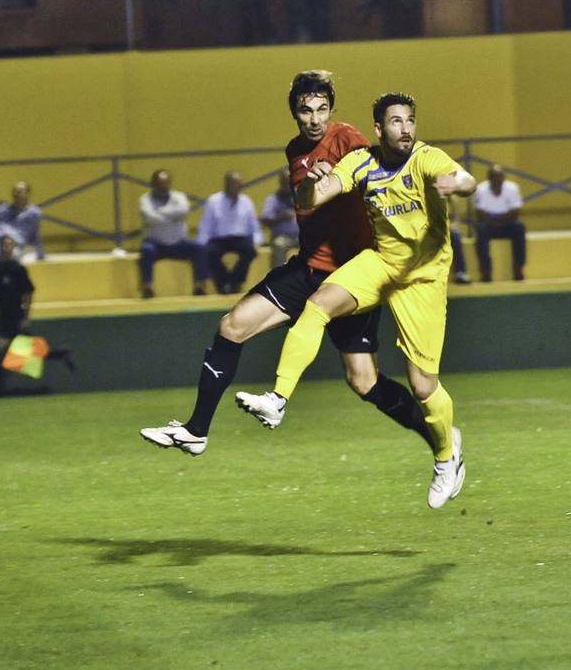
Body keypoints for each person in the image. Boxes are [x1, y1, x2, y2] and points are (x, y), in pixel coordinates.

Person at [140, 70, 431, 458]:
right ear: (294, 112)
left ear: (332, 110)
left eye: (322, 109)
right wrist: (315, 183)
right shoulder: (295, 149)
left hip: (350, 277)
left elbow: (376, 173)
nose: (314, 119)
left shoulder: (347, 138)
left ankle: (439, 439)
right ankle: (196, 432)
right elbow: (308, 200)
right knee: (231, 326)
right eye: (305, 110)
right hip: (309, 269)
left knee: (363, 381)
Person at [234, 92, 476, 510]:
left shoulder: (427, 159)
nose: (406, 129)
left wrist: (460, 184)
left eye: (410, 121)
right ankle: (277, 400)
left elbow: (465, 179)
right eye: (396, 122)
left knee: (422, 385)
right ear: (379, 129)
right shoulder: (362, 161)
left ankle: (446, 458)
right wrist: (312, 181)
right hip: (381, 264)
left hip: (422, 277)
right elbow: (313, 198)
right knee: (317, 304)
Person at [0, 236, 74, 394]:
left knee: (1, 351)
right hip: (3, 316)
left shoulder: (18, 270)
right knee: (18, 352)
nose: (7, 248)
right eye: (4, 245)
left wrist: (25, 316)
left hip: (15, 316)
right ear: (0, 248)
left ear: (13, 249)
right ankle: (60, 353)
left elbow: (28, 293)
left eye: (10, 245)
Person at [138, 170, 209, 298]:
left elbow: (183, 210)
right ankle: (146, 287)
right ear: (153, 184)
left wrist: (159, 213)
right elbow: (149, 217)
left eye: (165, 183)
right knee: (146, 250)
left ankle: (200, 286)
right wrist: (172, 216)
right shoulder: (145, 199)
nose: (163, 186)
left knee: (199, 248)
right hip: (156, 243)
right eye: (160, 183)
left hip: (178, 243)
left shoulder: (179, 197)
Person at [196, 170, 263, 294]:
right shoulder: (214, 201)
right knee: (209, 253)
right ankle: (222, 283)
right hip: (219, 239)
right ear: (226, 184)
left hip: (240, 238)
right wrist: (201, 244)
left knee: (250, 250)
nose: (236, 186)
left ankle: (235, 282)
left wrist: (257, 242)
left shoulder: (246, 201)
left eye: (238, 184)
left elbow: (254, 226)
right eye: (233, 183)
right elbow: (205, 225)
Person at [474, 164, 527, 282]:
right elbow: (480, 214)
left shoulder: (513, 188)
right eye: (494, 176)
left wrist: (496, 219)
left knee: (519, 227)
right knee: (480, 229)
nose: (497, 179)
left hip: (507, 225)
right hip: (489, 226)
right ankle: (486, 271)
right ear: (489, 178)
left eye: (499, 176)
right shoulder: (481, 189)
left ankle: (518, 268)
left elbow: (515, 212)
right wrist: (498, 219)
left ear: (503, 177)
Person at [260, 169, 299, 268]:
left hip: (301, 235)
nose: (287, 183)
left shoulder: (301, 197)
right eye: (284, 181)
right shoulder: (272, 199)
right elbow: (265, 220)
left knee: (316, 244)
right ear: (280, 182)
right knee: (279, 245)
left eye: (289, 181)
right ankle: (279, 279)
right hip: (282, 236)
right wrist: (281, 217)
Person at [448, 194, 472, 284]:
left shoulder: (442, 187)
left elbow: (453, 199)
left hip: (445, 227)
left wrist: (454, 223)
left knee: (455, 235)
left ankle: (460, 272)